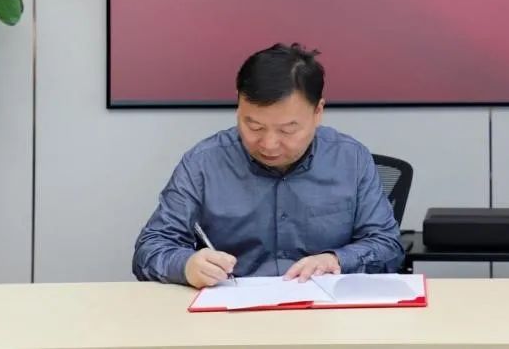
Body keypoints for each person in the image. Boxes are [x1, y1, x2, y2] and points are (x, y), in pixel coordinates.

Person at [132, 43, 404, 288]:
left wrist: (336, 260)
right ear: (238, 106)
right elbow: (150, 248)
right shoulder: (204, 163)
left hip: (326, 313)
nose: (269, 144)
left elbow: (388, 245)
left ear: (318, 112)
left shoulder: (351, 159)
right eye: (254, 126)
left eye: (287, 130)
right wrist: (186, 266)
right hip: (232, 313)